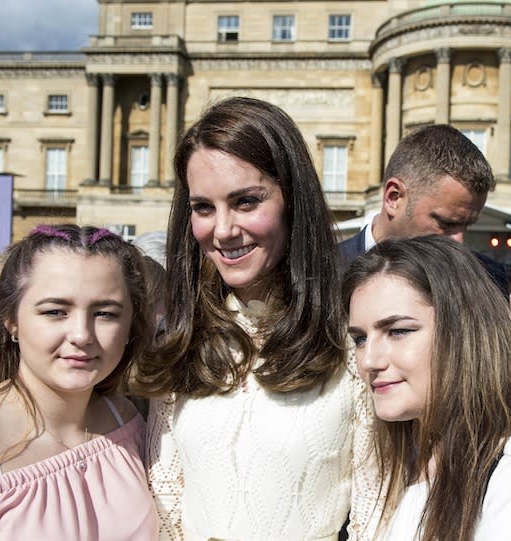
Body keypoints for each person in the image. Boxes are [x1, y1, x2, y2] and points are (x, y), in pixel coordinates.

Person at [134, 97, 380, 540]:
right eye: (203, 208)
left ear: (292, 200)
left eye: (246, 202)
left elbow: (374, 510)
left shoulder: (351, 343)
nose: (223, 229)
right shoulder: (181, 343)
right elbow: (165, 492)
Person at [343, 235, 511, 540]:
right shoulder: (406, 460)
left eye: (398, 331)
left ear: (466, 335)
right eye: (360, 338)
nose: (369, 360)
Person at [0, 224, 158, 540]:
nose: (81, 335)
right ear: (10, 319)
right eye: (55, 311)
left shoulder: (127, 418)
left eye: (105, 313)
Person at [337, 124, 508, 297]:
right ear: (394, 197)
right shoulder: (322, 273)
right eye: (446, 223)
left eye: (467, 225)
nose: (459, 241)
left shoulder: (489, 280)